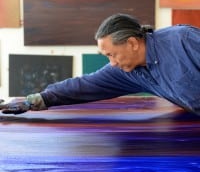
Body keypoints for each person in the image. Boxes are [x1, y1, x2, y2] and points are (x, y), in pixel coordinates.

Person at [0, 13, 200, 115]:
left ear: (132, 43)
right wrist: (34, 101)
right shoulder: (129, 71)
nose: (111, 63)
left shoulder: (182, 40)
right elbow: (83, 86)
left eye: (112, 55)